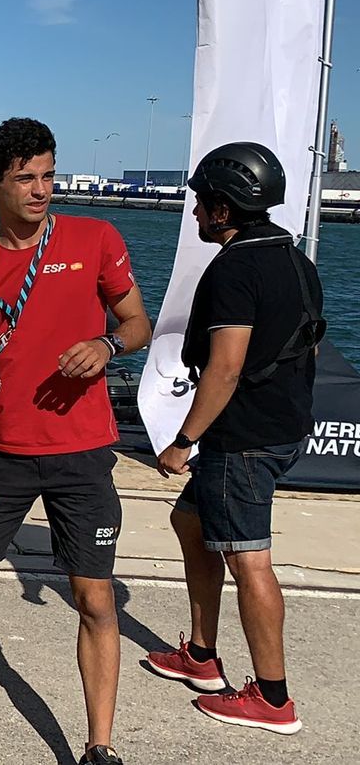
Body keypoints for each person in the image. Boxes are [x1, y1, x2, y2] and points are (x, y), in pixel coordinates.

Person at [0, 118, 151, 765]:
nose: (40, 189)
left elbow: (137, 321)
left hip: (81, 455)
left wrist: (107, 344)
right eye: (25, 178)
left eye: (48, 174)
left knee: (95, 597)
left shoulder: (96, 238)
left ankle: (100, 746)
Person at [143, 142, 321, 735]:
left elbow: (224, 368)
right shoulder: (294, 259)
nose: (195, 213)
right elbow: (307, 343)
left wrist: (183, 440)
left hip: (241, 438)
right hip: (282, 424)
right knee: (189, 522)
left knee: (250, 561)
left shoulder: (237, 268)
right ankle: (200, 656)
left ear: (224, 208)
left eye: (202, 203)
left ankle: (273, 699)